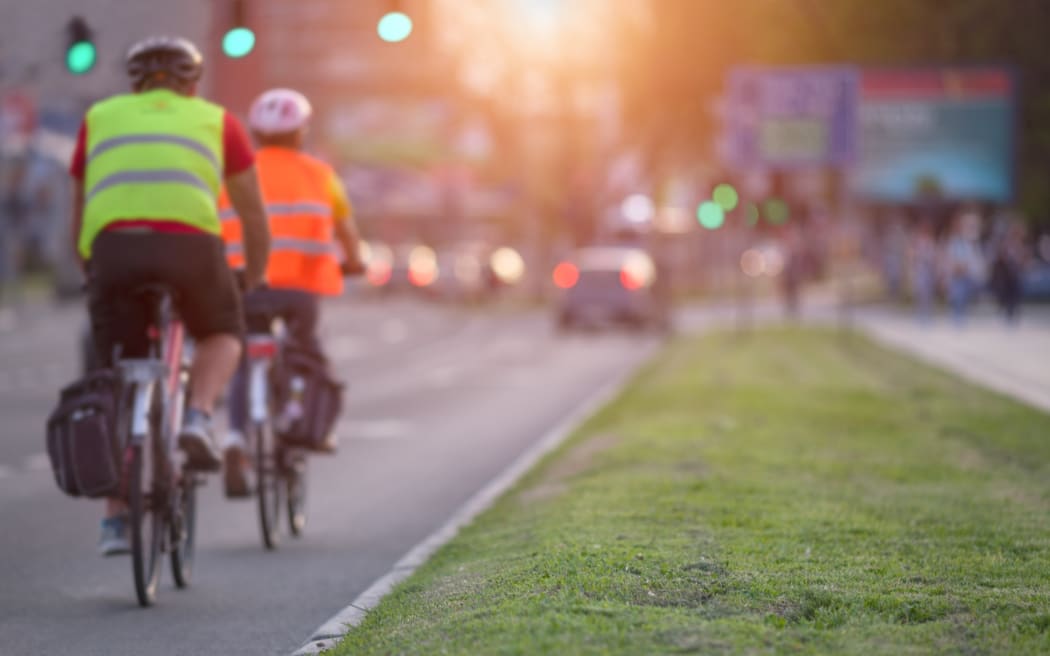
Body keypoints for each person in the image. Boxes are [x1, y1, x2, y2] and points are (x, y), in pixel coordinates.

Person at [68, 36, 271, 555]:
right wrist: (253, 275)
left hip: (115, 251)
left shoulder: (100, 117)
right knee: (224, 333)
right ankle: (199, 416)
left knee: (116, 374)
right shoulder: (218, 121)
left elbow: (81, 201)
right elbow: (251, 213)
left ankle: (114, 521)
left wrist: (88, 264)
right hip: (192, 249)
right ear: (192, 83)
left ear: (134, 82)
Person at [218, 88, 366, 497]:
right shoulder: (321, 175)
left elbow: (216, 227)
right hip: (300, 291)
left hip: (245, 286)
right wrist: (355, 261)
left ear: (255, 133)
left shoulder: (234, 174)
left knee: (245, 360)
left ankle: (234, 438)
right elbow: (347, 231)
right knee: (303, 355)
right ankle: (297, 414)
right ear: (301, 132)